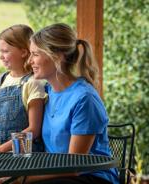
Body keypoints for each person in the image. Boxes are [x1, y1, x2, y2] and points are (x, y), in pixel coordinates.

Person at [25, 23, 119, 184]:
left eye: (35, 54)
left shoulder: (84, 98)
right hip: (57, 174)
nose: (30, 61)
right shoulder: (46, 92)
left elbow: (73, 166)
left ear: (58, 56)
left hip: (90, 178)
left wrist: (23, 179)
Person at [0, 24, 46, 153]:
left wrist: (1, 149)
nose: (1, 56)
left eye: (5, 51)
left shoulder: (33, 83)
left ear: (23, 52)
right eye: (0, 51)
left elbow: (33, 129)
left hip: (24, 158)